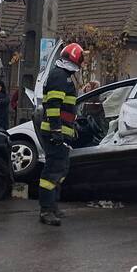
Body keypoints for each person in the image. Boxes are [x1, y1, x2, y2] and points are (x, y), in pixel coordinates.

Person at [37, 42, 85, 227]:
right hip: (54, 133)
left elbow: (65, 107)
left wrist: (71, 128)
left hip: (61, 132)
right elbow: (54, 106)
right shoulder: (60, 77)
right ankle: (46, 210)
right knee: (53, 170)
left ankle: (52, 206)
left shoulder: (62, 75)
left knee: (60, 169)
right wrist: (57, 130)